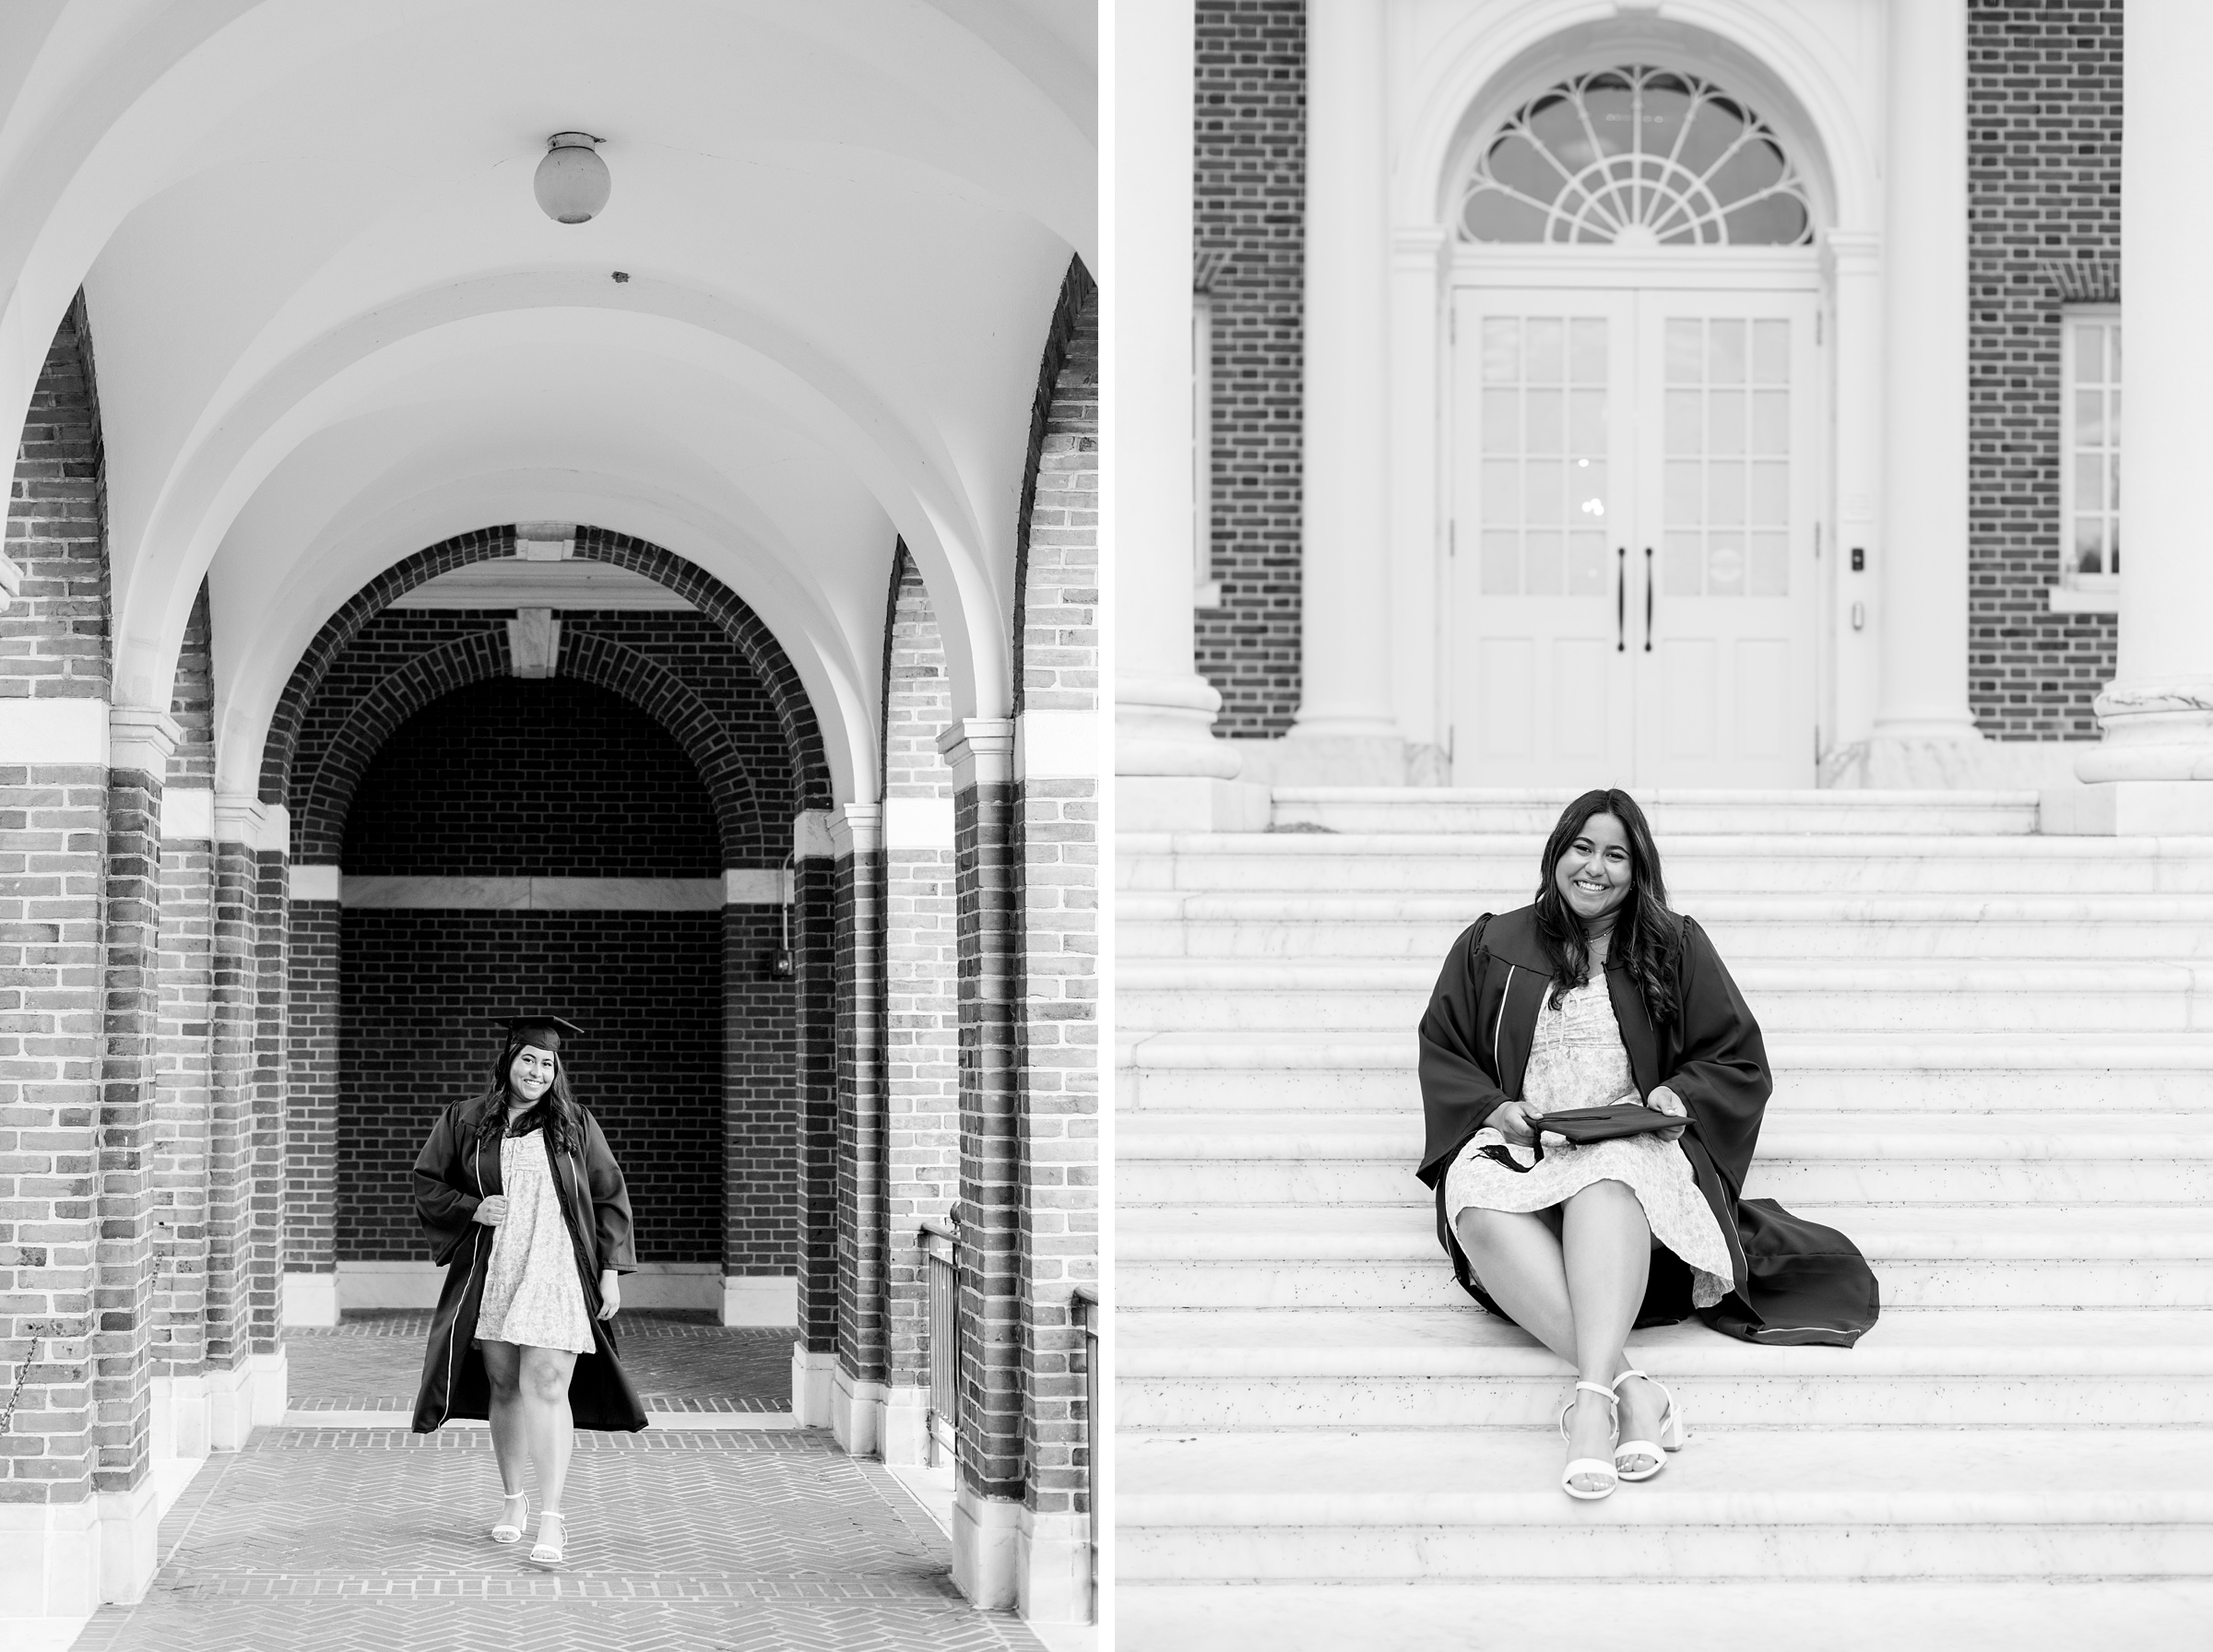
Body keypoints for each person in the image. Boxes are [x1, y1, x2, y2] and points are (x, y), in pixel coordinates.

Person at [1415, 789, 1878, 1501]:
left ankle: (1590, 1411)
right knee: (1474, 1201)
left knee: (1610, 1176)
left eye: (1615, 854)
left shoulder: (1675, 945)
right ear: (1556, 851)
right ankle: (1631, 1392)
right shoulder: (1489, 945)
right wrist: (1493, 1107)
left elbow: (1737, 1058)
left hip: (1627, 1138)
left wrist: (1678, 1095)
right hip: (1529, 1142)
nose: (1594, 868)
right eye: (1582, 847)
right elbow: (1445, 1049)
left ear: (1637, 870)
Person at [410, 1014, 646, 1565]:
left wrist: (611, 1269)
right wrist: (473, 1208)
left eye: (547, 1063)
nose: (537, 1072)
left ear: (557, 1070)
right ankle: (513, 1500)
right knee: (504, 1384)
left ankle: (552, 1517)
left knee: (546, 1382)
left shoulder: (576, 1125)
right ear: (508, 1062)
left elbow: (611, 1196)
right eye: (528, 1059)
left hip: (558, 1269)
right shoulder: (466, 1120)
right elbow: (427, 1181)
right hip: (496, 1268)